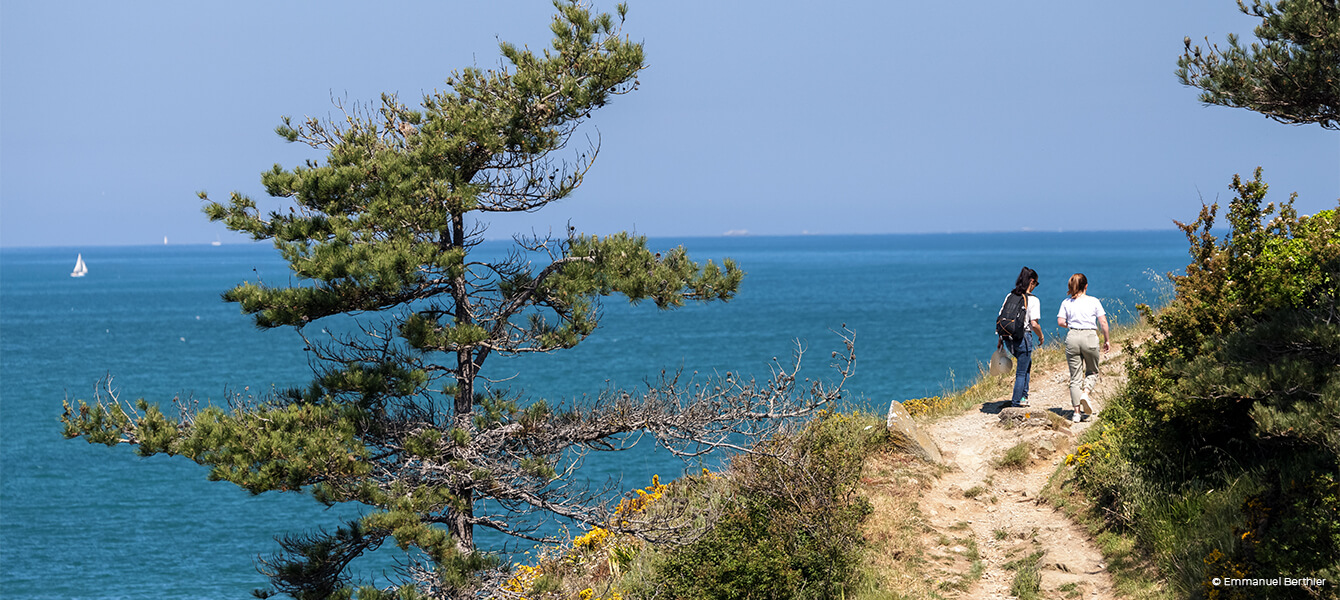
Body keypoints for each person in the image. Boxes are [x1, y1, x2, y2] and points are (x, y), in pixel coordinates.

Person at [1057, 273, 1110, 422]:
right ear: (1086, 286)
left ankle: (1076, 413)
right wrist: (1107, 340)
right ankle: (1085, 393)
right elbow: (1103, 322)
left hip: (1073, 336)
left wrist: (1072, 325)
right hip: (1090, 336)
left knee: (1075, 377)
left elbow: (1061, 321)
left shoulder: (1066, 302)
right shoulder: (1093, 301)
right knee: (1092, 371)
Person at [999, 267, 1043, 408]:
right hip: (1023, 338)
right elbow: (1034, 324)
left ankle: (1024, 396)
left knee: (1026, 365)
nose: (1035, 286)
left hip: (1008, 338)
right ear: (1031, 282)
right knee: (1021, 372)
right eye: (1036, 283)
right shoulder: (1033, 300)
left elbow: (1002, 317)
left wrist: (1000, 338)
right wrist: (1041, 337)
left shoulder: (1010, 296)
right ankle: (1017, 402)